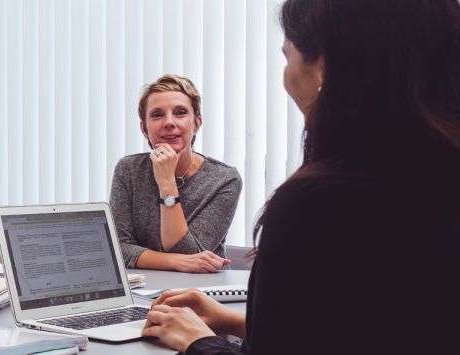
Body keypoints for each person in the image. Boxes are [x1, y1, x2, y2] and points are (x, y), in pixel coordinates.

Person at [141, 0, 460, 353]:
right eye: (157, 115)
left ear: (322, 67)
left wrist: (197, 340)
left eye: (287, 57)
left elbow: (185, 250)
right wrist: (232, 320)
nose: (169, 123)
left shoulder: (315, 202)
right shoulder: (434, 177)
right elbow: (376, 328)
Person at [110, 74, 242, 273]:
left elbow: (192, 253)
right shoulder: (128, 170)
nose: (169, 122)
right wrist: (175, 262)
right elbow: (118, 248)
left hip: (202, 292)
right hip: (146, 290)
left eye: (180, 113)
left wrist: (166, 182)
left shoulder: (224, 179)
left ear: (196, 124)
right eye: (157, 115)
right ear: (144, 128)